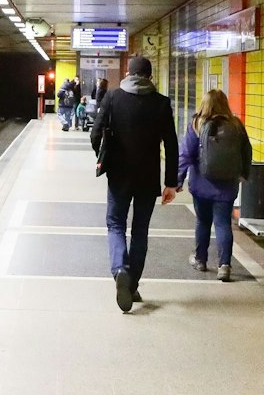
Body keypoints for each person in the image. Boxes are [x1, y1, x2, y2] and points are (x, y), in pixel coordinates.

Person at [89, 56, 178, 313]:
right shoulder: (161, 103)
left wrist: (103, 157)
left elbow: (96, 133)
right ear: (150, 77)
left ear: (128, 73)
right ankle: (131, 284)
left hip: (118, 174)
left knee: (116, 224)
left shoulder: (113, 98)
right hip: (148, 178)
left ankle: (119, 270)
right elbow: (171, 145)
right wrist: (171, 183)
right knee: (140, 231)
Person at [179, 88, 253, 282]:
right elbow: (247, 151)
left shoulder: (197, 124)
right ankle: (224, 266)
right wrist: (244, 174)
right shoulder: (236, 125)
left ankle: (201, 260)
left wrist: (177, 179)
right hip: (227, 185)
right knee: (223, 224)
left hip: (201, 183)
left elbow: (186, 154)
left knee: (203, 222)